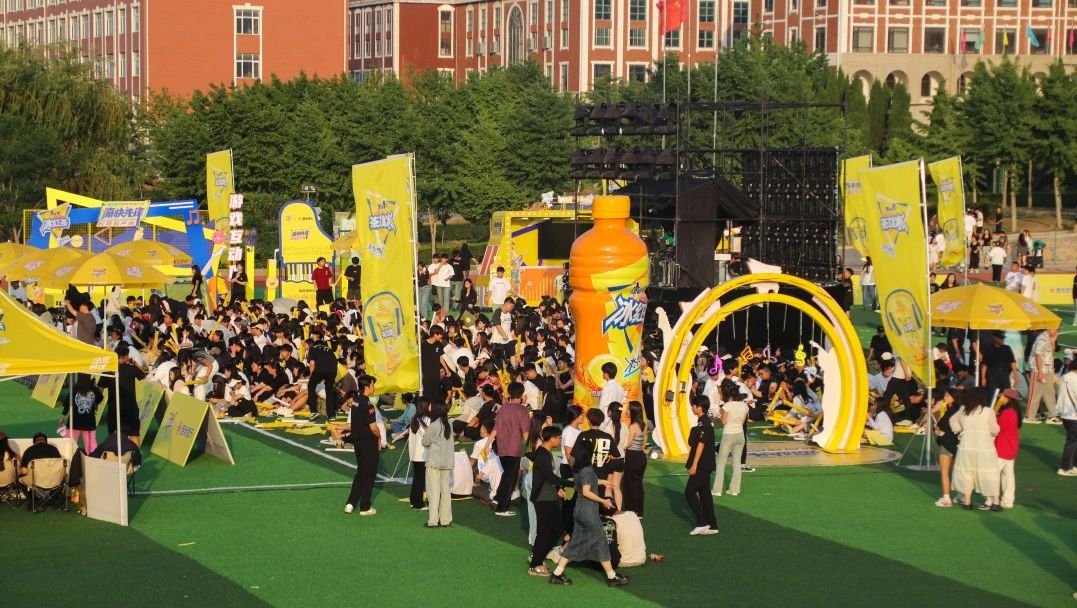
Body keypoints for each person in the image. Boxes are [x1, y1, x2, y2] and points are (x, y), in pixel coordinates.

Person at [547, 441, 629, 587]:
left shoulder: (577, 468)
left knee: (575, 542)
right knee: (601, 541)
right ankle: (612, 577)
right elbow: (586, 491)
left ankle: (557, 574)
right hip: (588, 511)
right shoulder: (588, 470)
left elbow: (585, 482)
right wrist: (603, 501)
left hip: (578, 510)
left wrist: (602, 482)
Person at [951, 388, 1001, 511]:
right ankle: (995, 502)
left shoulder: (964, 410)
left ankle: (967, 501)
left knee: (966, 473)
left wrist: (959, 431)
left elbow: (952, 420)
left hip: (966, 446)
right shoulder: (988, 411)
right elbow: (995, 430)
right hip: (984, 447)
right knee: (989, 473)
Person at [528, 426, 568, 576]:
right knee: (545, 531)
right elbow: (549, 476)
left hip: (549, 496)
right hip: (543, 498)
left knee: (557, 528)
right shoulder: (543, 455)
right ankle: (535, 564)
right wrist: (570, 483)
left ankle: (538, 555)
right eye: (558, 437)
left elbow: (549, 476)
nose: (560, 440)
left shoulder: (547, 453)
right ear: (551, 438)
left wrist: (558, 488)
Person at [492, 382, 531, 516]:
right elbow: (525, 432)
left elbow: (496, 428)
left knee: (507, 475)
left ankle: (498, 498)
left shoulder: (503, 409)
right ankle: (502, 508)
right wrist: (532, 447)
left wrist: (487, 444)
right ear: (522, 394)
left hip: (502, 447)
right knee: (510, 478)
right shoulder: (523, 410)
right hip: (513, 449)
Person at [344, 377, 382, 516]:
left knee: (360, 472)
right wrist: (379, 436)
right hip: (368, 442)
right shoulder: (368, 404)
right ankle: (365, 507)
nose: (374, 388)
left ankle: (350, 503)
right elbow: (373, 427)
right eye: (372, 385)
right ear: (367, 387)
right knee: (369, 474)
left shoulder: (355, 402)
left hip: (357, 442)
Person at [684, 396, 718, 536]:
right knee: (705, 495)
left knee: (689, 492)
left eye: (693, 406)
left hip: (702, 464)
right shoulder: (703, 422)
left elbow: (701, 445)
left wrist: (694, 465)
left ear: (699, 407)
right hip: (706, 464)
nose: (692, 408)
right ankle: (712, 524)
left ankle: (702, 522)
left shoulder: (704, 423)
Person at [421, 400, 455, 528]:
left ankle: (433, 521)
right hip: (447, 462)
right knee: (445, 491)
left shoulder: (434, 425)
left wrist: (426, 431)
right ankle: (445, 520)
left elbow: (425, 442)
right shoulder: (450, 423)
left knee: (433, 492)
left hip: (434, 462)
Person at [712, 382, 749, 497]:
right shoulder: (745, 406)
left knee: (721, 462)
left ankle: (717, 490)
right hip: (740, 435)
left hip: (728, 435)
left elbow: (724, 422)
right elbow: (742, 422)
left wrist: (719, 416)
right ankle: (734, 490)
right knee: (737, 463)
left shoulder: (727, 406)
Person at [933, 388, 961, 507]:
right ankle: (961, 495)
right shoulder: (961, 410)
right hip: (958, 444)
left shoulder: (951, 411)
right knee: (957, 471)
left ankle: (946, 498)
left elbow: (940, 425)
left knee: (945, 472)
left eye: (948, 395)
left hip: (947, 443)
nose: (945, 397)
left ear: (954, 398)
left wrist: (937, 429)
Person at [1025, 328, 1058, 424]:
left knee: (1050, 392)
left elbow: (1051, 354)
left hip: (1048, 370)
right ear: (1048, 328)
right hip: (1038, 370)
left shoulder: (1048, 338)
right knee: (1035, 393)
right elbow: (1038, 355)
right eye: (1054, 328)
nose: (1056, 331)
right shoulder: (1041, 338)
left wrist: (1053, 342)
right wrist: (1040, 371)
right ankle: (1029, 416)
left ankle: (1052, 416)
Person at [620, 401, 648, 516]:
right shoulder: (643, 425)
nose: (626, 411)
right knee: (638, 484)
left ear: (633, 411)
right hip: (640, 456)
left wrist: (619, 444)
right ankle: (639, 511)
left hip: (632, 457)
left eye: (628, 409)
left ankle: (631, 510)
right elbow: (644, 442)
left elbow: (628, 444)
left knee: (629, 484)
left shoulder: (632, 427)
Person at [995, 389, 1021, 509]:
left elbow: (997, 428)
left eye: (1004, 397)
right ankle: (1008, 500)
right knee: (1009, 476)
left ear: (1009, 399)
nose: (1002, 399)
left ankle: (992, 499)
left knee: (994, 475)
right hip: (1011, 448)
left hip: (1002, 447)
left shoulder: (1006, 413)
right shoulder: (1015, 412)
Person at [63, 374, 103, 453]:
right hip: (89, 422)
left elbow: (68, 403)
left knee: (69, 444)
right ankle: (92, 458)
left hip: (74, 421)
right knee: (91, 446)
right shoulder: (93, 389)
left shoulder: (75, 388)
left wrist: (63, 415)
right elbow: (100, 398)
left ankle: (68, 458)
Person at [306, 332, 339, 420]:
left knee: (311, 386)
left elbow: (312, 364)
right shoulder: (329, 349)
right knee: (329, 391)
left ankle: (314, 411)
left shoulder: (313, 349)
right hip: (332, 370)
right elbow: (335, 362)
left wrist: (311, 377)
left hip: (320, 369)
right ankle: (331, 415)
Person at [1053, 358, 1077, 476]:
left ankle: (1074, 466)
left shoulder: (1065, 377)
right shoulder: (1075, 379)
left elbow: (1059, 393)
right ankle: (1065, 467)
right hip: (1073, 415)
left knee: (1073, 440)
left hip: (1065, 413)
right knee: (1072, 441)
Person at [406, 398, 431, 510]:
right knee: (420, 480)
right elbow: (429, 434)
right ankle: (418, 504)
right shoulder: (426, 419)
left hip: (414, 454)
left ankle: (413, 500)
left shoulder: (415, 418)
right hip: (422, 454)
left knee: (417, 478)